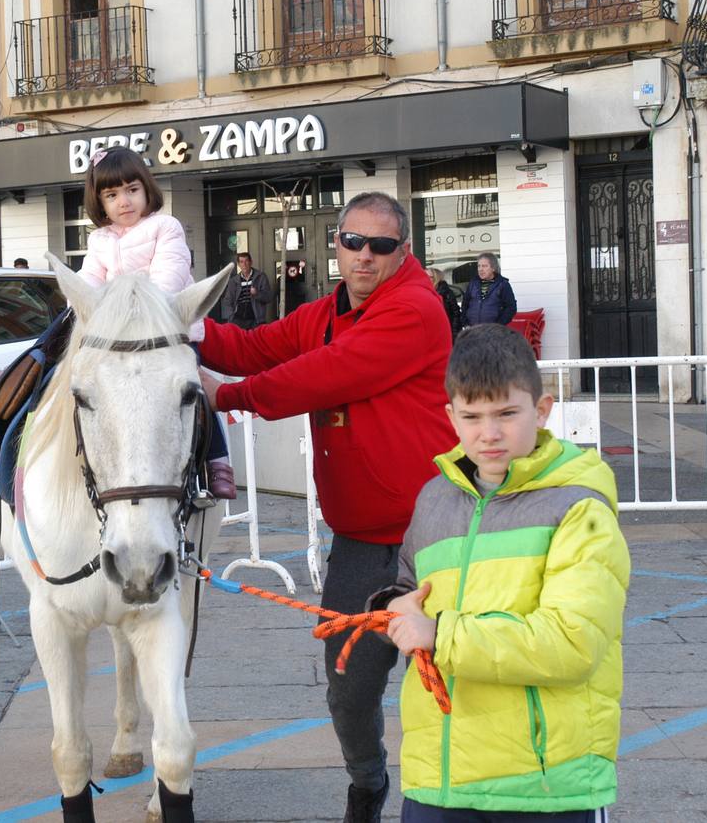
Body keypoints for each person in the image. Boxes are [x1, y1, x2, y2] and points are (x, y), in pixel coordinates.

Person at [198, 192, 457, 822]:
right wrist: (173, 316)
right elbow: (252, 346)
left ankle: (457, 798)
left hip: (437, 534)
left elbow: (327, 375)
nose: (364, 256)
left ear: (405, 251)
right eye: (353, 242)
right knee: (349, 687)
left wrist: (226, 396)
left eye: (381, 245)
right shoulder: (326, 311)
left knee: (459, 678)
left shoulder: (416, 310)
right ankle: (367, 783)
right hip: (363, 538)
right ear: (335, 243)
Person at [377, 323, 630, 822]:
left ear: (542, 410)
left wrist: (438, 633)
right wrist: (391, 609)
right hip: (439, 778)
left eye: (506, 414)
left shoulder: (579, 507)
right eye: (471, 416)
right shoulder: (435, 498)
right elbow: (409, 589)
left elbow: (572, 643)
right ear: (450, 416)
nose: (488, 433)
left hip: (543, 784)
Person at [78, 145, 237, 500]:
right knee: (65, 323)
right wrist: (85, 303)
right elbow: (90, 279)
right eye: (112, 194)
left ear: (147, 189)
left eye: (132, 190)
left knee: (190, 387)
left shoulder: (166, 227)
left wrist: (135, 307)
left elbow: (170, 276)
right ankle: (29, 367)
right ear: (100, 203)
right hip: (120, 336)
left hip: (168, 331)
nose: (125, 201)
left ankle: (218, 461)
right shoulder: (99, 239)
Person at [460, 251, 516, 327]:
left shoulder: (502, 284)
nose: (480, 269)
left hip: (493, 332)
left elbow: (511, 308)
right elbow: (465, 304)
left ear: (493, 268)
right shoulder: (473, 283)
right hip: (472, 330)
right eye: (479, 266)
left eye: (484, 266)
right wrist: (465, 323)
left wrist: (498, 325)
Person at [218, 252, 271, 329]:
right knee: (238, 341)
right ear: (238, 264)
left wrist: (257, 293)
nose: (244, 264)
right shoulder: (234, 281)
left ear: (251, 262)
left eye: (246, 261)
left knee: (254, 341)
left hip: (256, 320)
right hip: (238, 320)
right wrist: (231, 317)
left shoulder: (261, 277)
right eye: (241, 262)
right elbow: (227, 301)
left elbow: (268, 297)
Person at [428, 265, 463, 338]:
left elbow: (455, 314)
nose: (426, 279)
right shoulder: (424, 292)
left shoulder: (446, 293)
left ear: (436, 279)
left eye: (429, 277)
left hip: (445, 332)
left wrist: (454, 333)